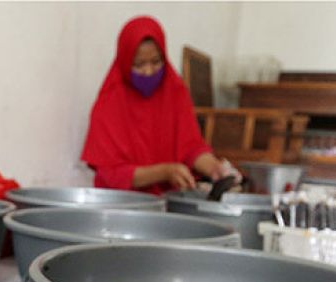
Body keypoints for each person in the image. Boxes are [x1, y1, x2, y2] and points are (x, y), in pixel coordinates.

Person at [80, 16, 237, 195]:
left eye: (156, 62)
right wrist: (164, 172)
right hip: (120, 205)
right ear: (125, 62)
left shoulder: (175, 91)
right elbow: (110, 174)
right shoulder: (110, 102)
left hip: (168, 203)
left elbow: (190, 147)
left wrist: (214, 167)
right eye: (139, 65)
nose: (148, 71)